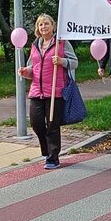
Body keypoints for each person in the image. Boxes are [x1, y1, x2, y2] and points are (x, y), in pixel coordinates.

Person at [18, 14, 79, 170]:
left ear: (53, 26)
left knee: (52, 124)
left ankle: (53, 158)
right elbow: (33, 68)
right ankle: (47, 151)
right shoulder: (35, 45)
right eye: (40, 25)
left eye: (46, 24)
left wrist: (62, 61)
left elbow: (74, 63)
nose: (43, 27)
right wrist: (26, 72)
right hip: (37, 91)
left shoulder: (62, 44)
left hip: (55, 91)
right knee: (36, 123)